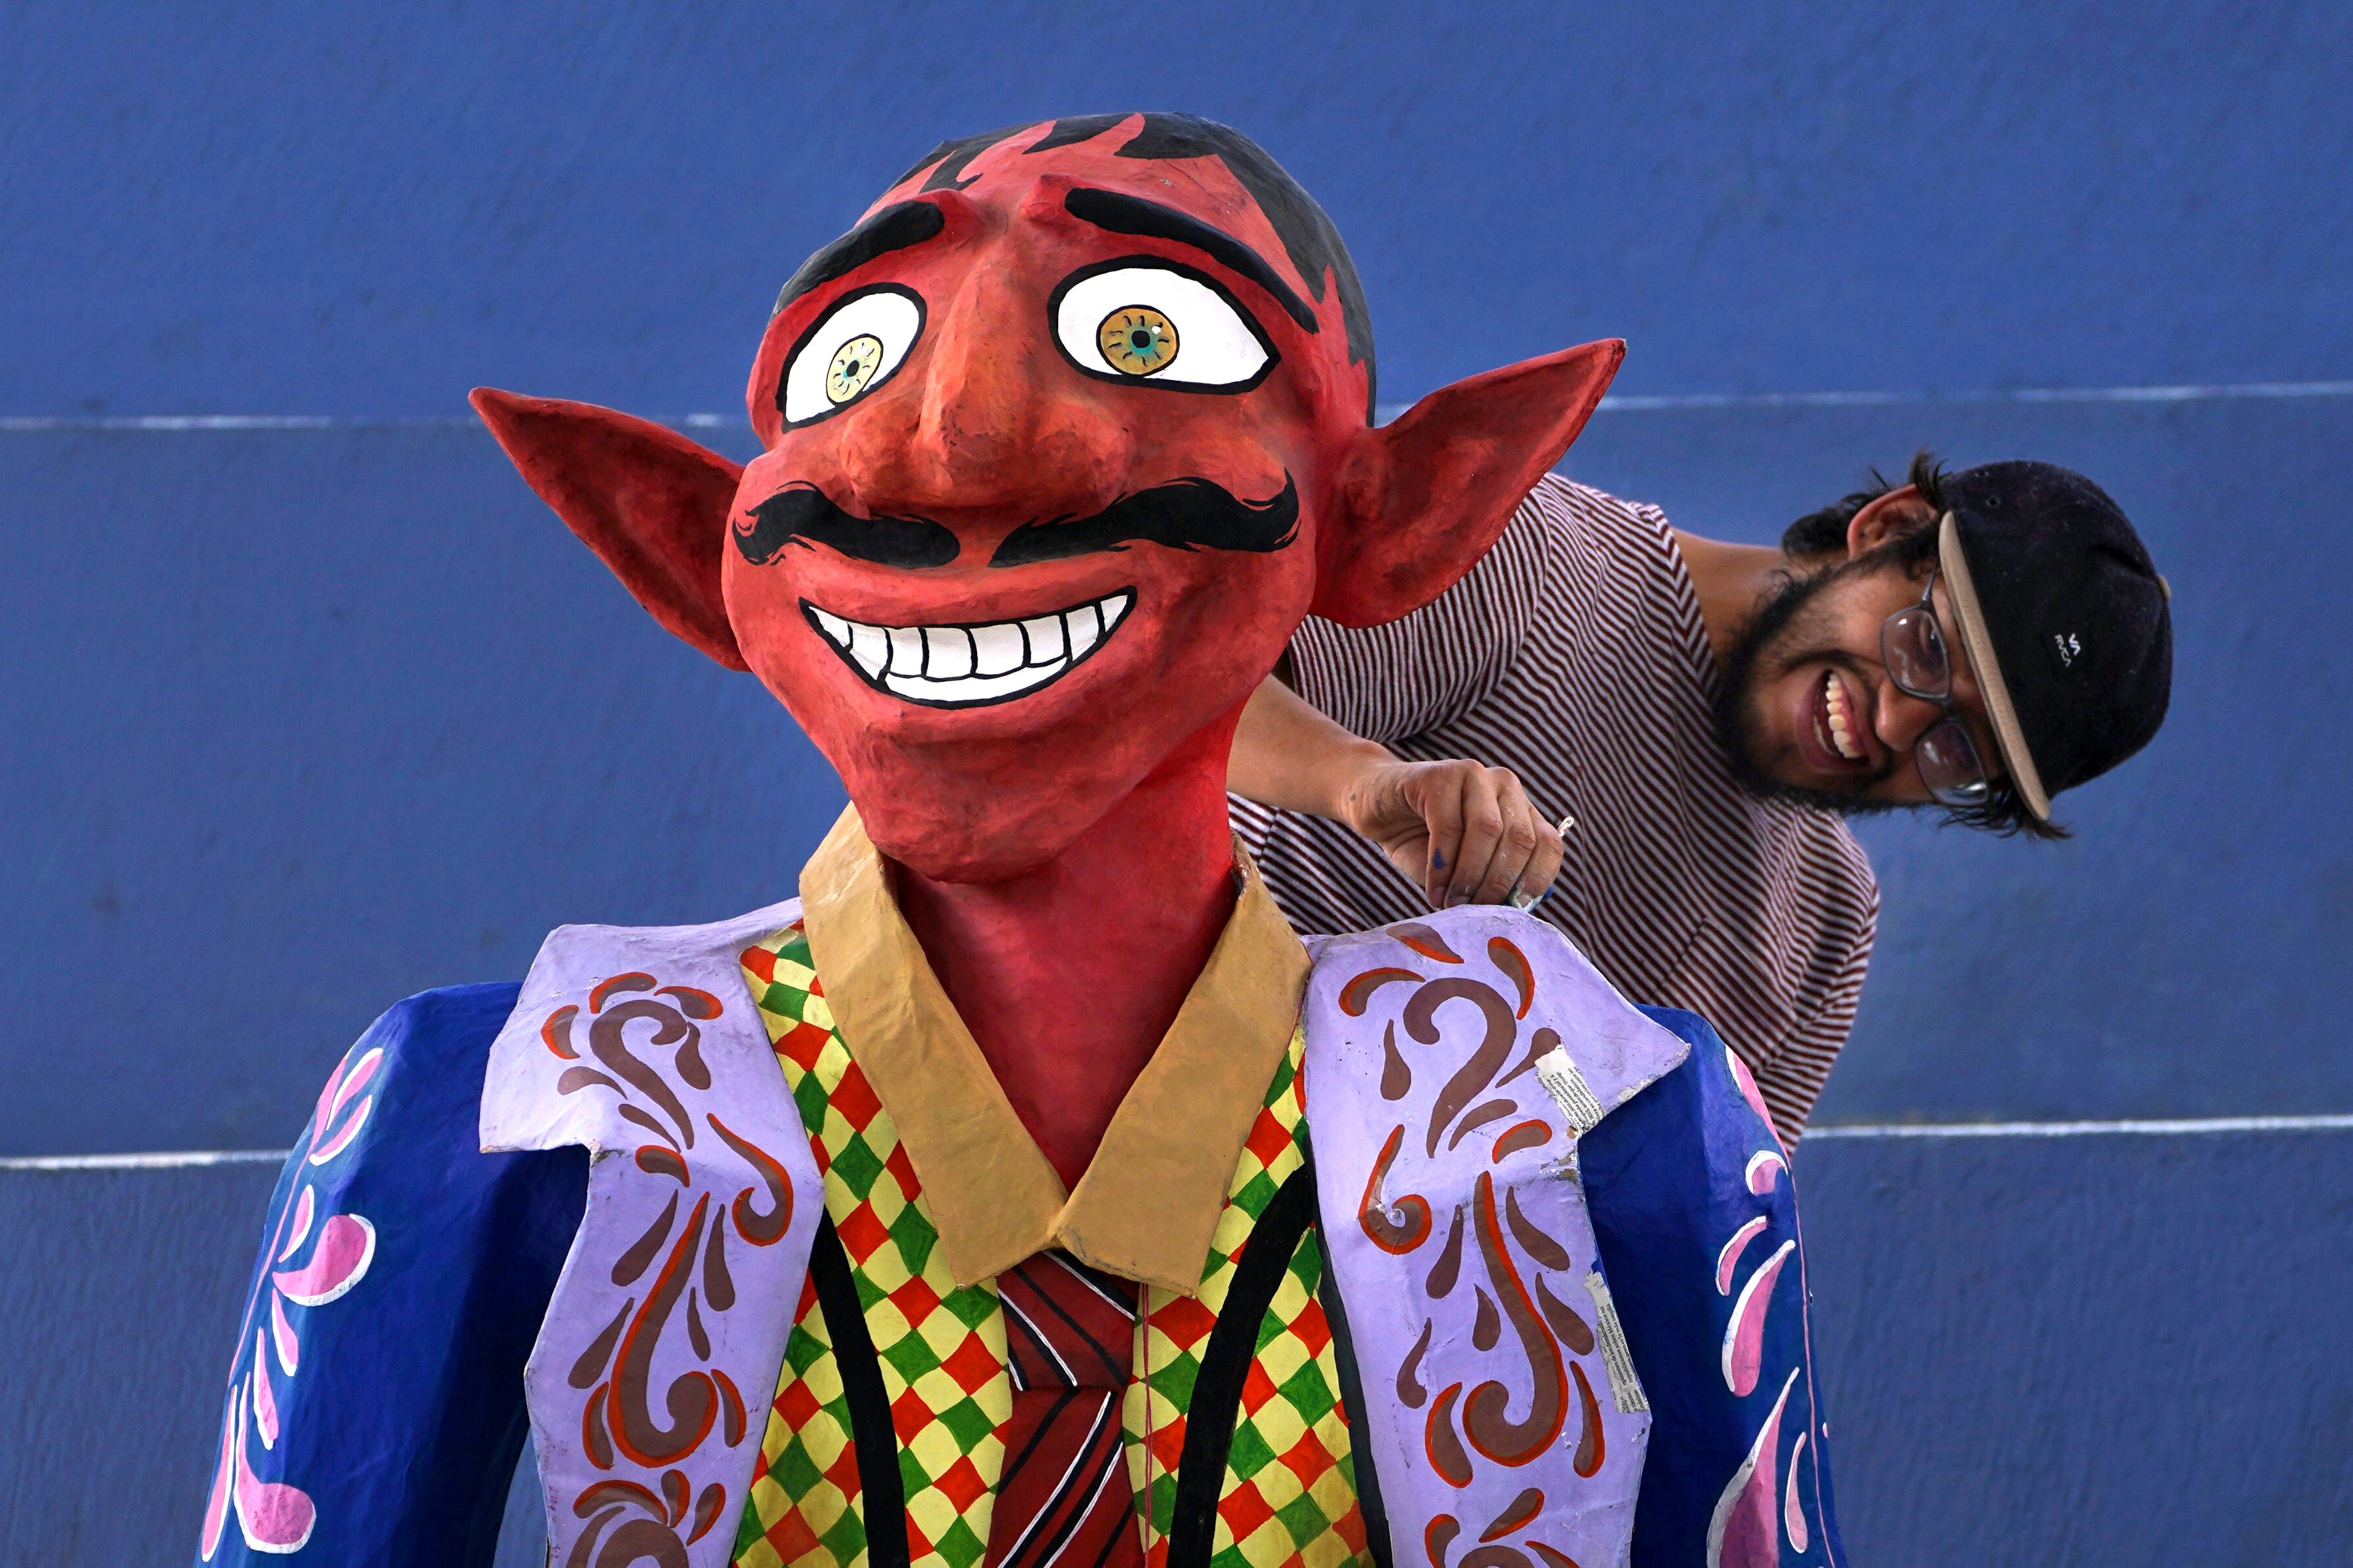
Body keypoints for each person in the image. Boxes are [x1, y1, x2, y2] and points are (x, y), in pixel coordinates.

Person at [192, 112, 1853, 1568]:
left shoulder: (1603, 1129)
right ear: (690, 550)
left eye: (1148, 334)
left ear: (1399, 515)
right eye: (856, 359)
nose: (955, 442)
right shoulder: (502, 1109)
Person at [1229, 455, 2173, 1137]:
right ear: (1887, 529)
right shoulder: (1537, 562)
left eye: (1956, 745)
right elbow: (1186, 690)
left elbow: (1704, 1253)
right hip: (1160, 1127)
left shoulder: (1828, 925)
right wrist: (1363, 781)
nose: (1894, 721)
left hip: (1322, 1343)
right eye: (1926, 646)